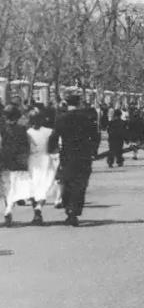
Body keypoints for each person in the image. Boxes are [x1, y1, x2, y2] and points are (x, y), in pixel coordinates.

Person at [49, 94, 98, 226]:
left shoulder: (61, 119)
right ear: (79, 103)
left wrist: (51, 150)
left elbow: (54, 137)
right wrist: (94, 151)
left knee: (67, 181)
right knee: (80, 184)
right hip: (84, 155)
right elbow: (95, 136)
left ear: (66, 103)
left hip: (67, 154)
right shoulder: (87, 118)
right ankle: (75, 211)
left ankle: (68, 209)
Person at [27, 107, 58, 225]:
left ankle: (36, 210)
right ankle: (39, 207)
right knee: (43, 186)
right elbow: (54, 148)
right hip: (45, 160)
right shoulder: (49, 131)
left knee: (33, 187)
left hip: (32, 161)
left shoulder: (27, 133)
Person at [1, 105, 31, 227]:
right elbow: (27, 146)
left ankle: (7, 206)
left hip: (3, 158)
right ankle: (8, 208)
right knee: (15, 186)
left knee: (6, 185)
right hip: (18, 161)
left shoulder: (2, 128)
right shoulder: (22, 129)